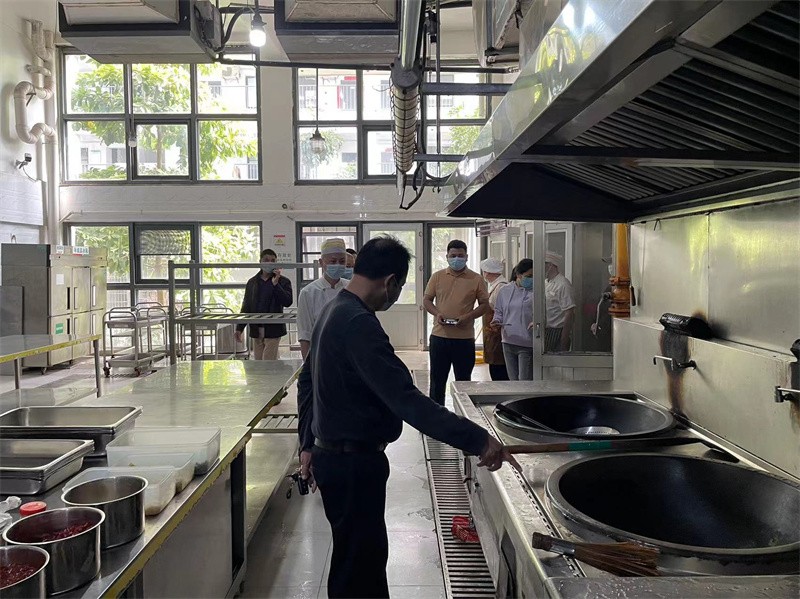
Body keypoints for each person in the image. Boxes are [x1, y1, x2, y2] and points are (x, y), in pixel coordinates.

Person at [297, 236, 519, 599]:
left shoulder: (334, 309)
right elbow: (407, 400)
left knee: (354, 560)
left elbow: (306, 381)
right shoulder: (357, 322)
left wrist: (307, 443)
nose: (395, 296)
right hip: (353, 464)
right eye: (399, 287)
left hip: (335, 456)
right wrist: (479, 440)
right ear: (390, 282)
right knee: (361, 567)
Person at [423, 240, 489, 406]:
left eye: (460, 255)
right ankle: (436, 415)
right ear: (447, 256)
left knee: (464, 382)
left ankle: (463, 414)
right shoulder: (437, 276)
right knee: (437, 381)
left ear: (466, 257)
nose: (456, 259)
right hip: (439, 337)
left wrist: (469, 316)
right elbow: (427, 300)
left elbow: (484, 305)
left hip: (464, 339)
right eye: (453, 256)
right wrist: (437, 313)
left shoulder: (476, 279)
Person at [234, 249, 293, 360]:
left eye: (273, 261)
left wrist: (276, 285)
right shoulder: (252, 282)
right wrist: (239, 328)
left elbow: (288, 302)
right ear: (260, 262)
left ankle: (272, 371)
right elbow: (246, 306)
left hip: (273, 328)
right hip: (256, 328)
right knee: (258, 362)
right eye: (266, 260)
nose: (269, 263)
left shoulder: (283, 281)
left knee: (268, 362)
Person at [297, 238, 349, 359]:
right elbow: (305, 334)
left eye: (342, 261)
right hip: (321, 355)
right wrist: (309, 366)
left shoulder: (350, 288)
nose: (338, 265)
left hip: (348, 354)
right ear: (321, 262)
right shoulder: (308, 293)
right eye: (333, 261)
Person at [492, 259, 534, 380]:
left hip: (527, 342)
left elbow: (541, 313)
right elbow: (499, 311)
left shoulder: (536, 292)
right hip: (508, 341)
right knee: (513, 380)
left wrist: (535, 321)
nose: (532, 279)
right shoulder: (505, 290)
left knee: (525, 381)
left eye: (534, 276)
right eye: (529, 276)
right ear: (518, 275)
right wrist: (496, 321)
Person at [480, 258, 509, 381]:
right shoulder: (495, 286)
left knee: (499, 369)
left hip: (498, 333)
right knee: (494, 365)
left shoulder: (501, 287)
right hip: (493, 333)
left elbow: (500, 312)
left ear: (488, 272)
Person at [544, 251, 576, 352]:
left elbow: (569, 312)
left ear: (550, 265)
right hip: (545, 330)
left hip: (557, 331)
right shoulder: (545, 282)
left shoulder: (563, 284)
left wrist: (564, 338)